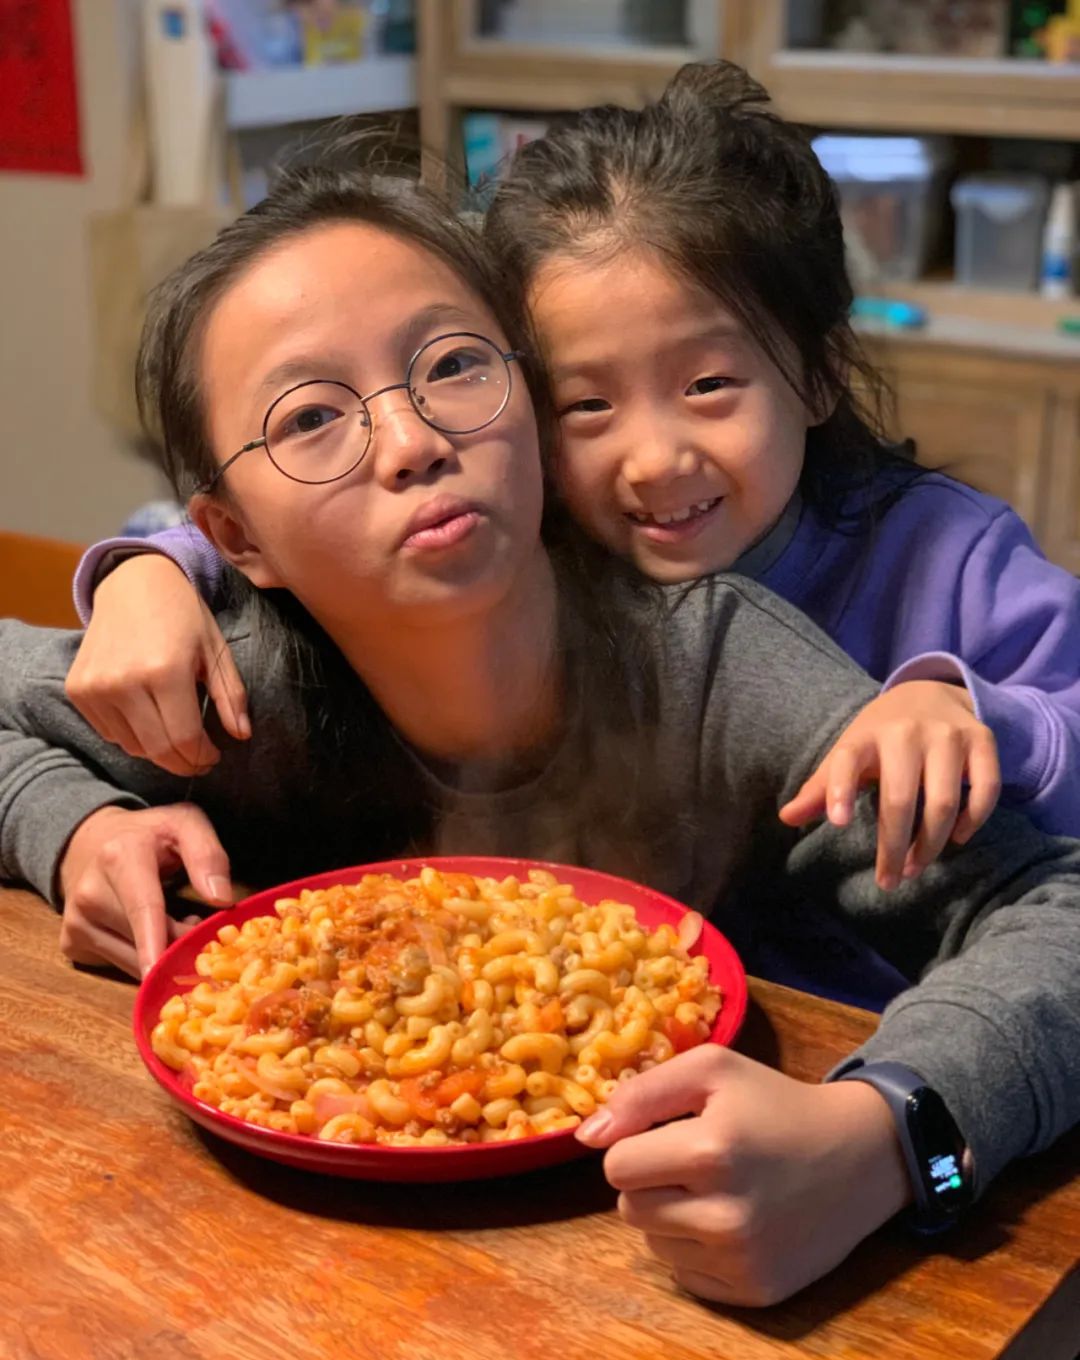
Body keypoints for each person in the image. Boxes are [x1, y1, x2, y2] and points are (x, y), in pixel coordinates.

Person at [3, 146, 1078, 1334]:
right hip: (270, 1303)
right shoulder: (234, 687)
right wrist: (74, 822)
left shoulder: (715, 663)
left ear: (528, 406)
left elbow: (1055, 909)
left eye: (454, 365)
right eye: (310, 417)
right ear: (235, 537)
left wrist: (890, 1137)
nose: (411, 442)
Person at [70, 63, 1080, 877]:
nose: (655, 458)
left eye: (709, 385)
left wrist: (968, 710)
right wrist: (145, 573)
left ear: (817, 377)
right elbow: (288, 524)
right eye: (585, 404)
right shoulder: (542, 528)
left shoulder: (945, 555)